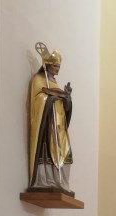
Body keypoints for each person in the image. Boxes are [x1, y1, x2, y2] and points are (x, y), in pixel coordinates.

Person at [28, 43, 73, 193]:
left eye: (59, 68)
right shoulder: (38, 79)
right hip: (47, 124)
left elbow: (65, 109)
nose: (57, 71)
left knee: (65, 151)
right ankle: (45, 180)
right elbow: (37, 100)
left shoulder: (54, 82)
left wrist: (67, 98)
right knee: (47, 150)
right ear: (47, 65)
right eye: (55, 67)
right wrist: (49, 100)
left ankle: (61, 182)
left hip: (59, 126)